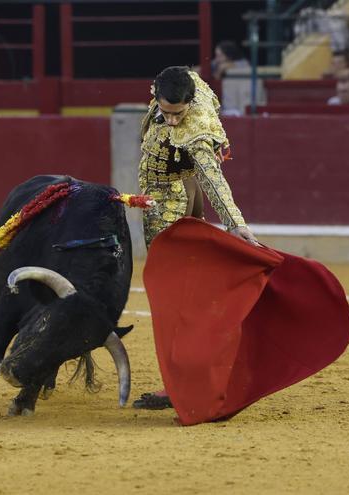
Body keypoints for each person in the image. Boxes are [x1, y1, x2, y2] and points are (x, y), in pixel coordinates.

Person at [133, 66, 258, 410]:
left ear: (190, 103)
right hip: (175, 190)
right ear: (157, 94)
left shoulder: (196, 131)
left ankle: (178, 384)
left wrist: (235, 223)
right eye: (166, 112)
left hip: (170, 202)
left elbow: (213, 177)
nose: (173, 121)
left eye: (179, 113)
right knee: (183, 294)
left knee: (171, 297)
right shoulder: (185, 82)